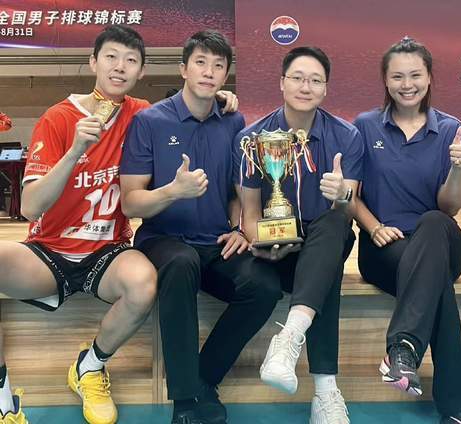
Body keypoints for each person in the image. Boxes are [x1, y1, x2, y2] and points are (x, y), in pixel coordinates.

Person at [0, 25, 157, 424]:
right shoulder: (59, 118)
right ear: (93, 62)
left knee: (143, 284)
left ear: (141, 71)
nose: (120, 67)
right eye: (111, 57)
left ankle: (89, 366)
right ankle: (1, 394)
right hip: (49, 252)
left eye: (131, 60)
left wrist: (220, 99)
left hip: (108, 252)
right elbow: (30, 207)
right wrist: (74, 152)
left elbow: (186, 112)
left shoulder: (142, 114)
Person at [120, 30, 279, 424]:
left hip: (214, 241)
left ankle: (204, 379)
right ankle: (185, 402)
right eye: (201, 63)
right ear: (184, 69)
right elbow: (130, 202)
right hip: (162, 240)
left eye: (218, 66)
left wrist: (240, 228)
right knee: (181, 263)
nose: (209, 72)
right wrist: (173, 191)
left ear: (225, 76)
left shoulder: (234, 121)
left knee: (264, 287)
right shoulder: (149, 122)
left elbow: (238, 189)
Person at [234, 46, 363, 424]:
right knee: (326, 273)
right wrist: (262, 242)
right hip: (275, 250)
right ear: (281, 83)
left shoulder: (347, 136)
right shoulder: (251, 138)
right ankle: (325, 391)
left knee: (334, 223)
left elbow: (348, 210)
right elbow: (250, 214)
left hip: (324, 240)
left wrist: (342, 195)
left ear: (325, 89)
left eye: (315, 80)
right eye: (298, 78)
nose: (306, 87)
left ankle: (288, 339)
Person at [352, 37, 461, 424]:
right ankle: (457, 408)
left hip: (439, 241)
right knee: (436, 287)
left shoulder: (451, 130)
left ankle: (403, 346)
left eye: (415, 75)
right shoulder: (365, 125)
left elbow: (450, 208)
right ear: (385, 80)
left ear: (429, 77)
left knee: (434, 221)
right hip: (383, 247)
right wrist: (373, 227)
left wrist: (457, 168)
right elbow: (349, 195)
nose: (407, 85)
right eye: (397, 76)